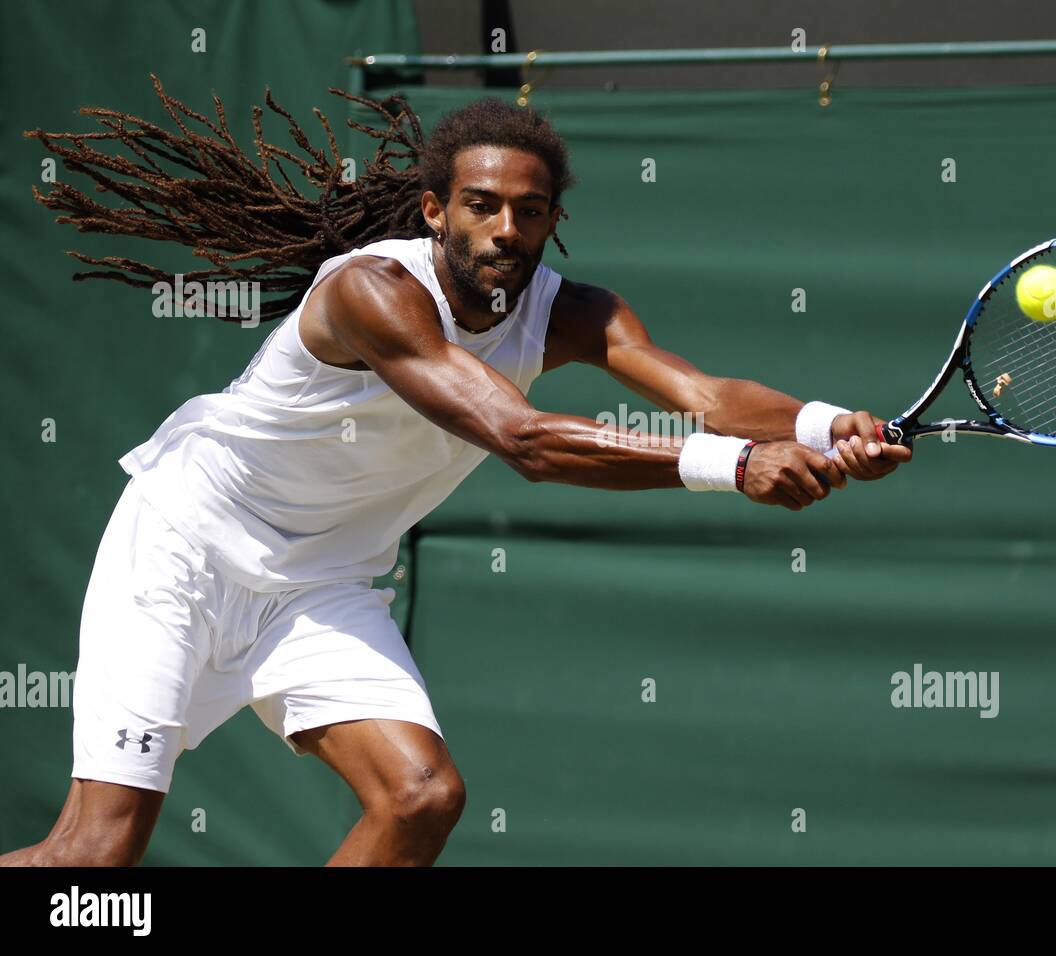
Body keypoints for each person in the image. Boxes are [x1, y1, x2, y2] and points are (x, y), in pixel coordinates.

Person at [2, 94, 910, 867]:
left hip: (318, 587)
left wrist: (826, 425)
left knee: (421, 796)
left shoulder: (576, 313)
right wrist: (738, 466)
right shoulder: (372, 293)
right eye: (482, 205)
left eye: (529, 210)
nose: (505, 230)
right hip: (183, 545)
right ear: (435, 210)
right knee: (95, 857)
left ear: (555, 218)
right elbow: (520, 438)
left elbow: (704, 394)